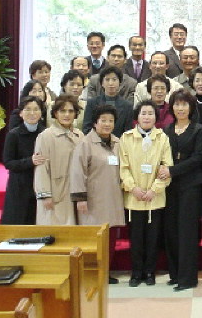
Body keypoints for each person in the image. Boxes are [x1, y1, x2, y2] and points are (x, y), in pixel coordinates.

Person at [119, 100, 173, 286]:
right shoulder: (126, 138)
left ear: (156, 118)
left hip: (154, 198)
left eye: (151, 113)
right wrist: (132, 187)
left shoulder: (162, 138)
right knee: (136, 238)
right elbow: (123, 167)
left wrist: (154, 189)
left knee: (152, 238)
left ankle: (150, 272)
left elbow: (167, 166)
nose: (147, 117)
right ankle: (136, 272)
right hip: (133, 198)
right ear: (137, 117)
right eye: (143, 113)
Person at [70, 104, 125, 284]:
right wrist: (80, 198)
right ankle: (92, 273)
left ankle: (105, 272)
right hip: (94, 200)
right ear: (95, 123)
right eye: (103, 121)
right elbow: (78, 172)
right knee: (94, 238)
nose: (107, 124)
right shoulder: (85, 144)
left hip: (113, 198)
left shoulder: (117, 143)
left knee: (110, 238)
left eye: (111, 121)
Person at [158, 90, 202, 292]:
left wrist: (172, 170)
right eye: (177, 104)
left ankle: (187, 278)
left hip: (190, 185)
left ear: (191, 107)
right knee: (171, 231)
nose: (180, 108)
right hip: (170, 187)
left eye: (184, 104)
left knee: (187, 232)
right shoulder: (166, 130)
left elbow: (198, 158)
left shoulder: (198, 129)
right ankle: (175, 274)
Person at [34, 94, 83, 225]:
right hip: (55, 192)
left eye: (71, 111)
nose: (67, 115)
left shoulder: (79, 135)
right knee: (54, 229)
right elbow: (41, 168)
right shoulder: (45, 136)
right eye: (62, 111)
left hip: (74, 191)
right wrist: (45, 194)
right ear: (55, 113)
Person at [0, 96, 46, 224]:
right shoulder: (13, 134)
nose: (32, 113)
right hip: (19, 184)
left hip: (40, 183)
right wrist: (30, 161)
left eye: (36, 109)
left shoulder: (46, 134)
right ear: (21, 113)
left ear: (41, 113)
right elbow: (8, 162)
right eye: (28, 109)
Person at [83, 66, 134, 138]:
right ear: (102, 83)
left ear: (120, 82)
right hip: (94, 142)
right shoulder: (92, 103)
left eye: (114, 79)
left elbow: (128, 131)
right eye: (107, 79)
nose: (111, 83)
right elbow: (86, 128)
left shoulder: (127, 106)